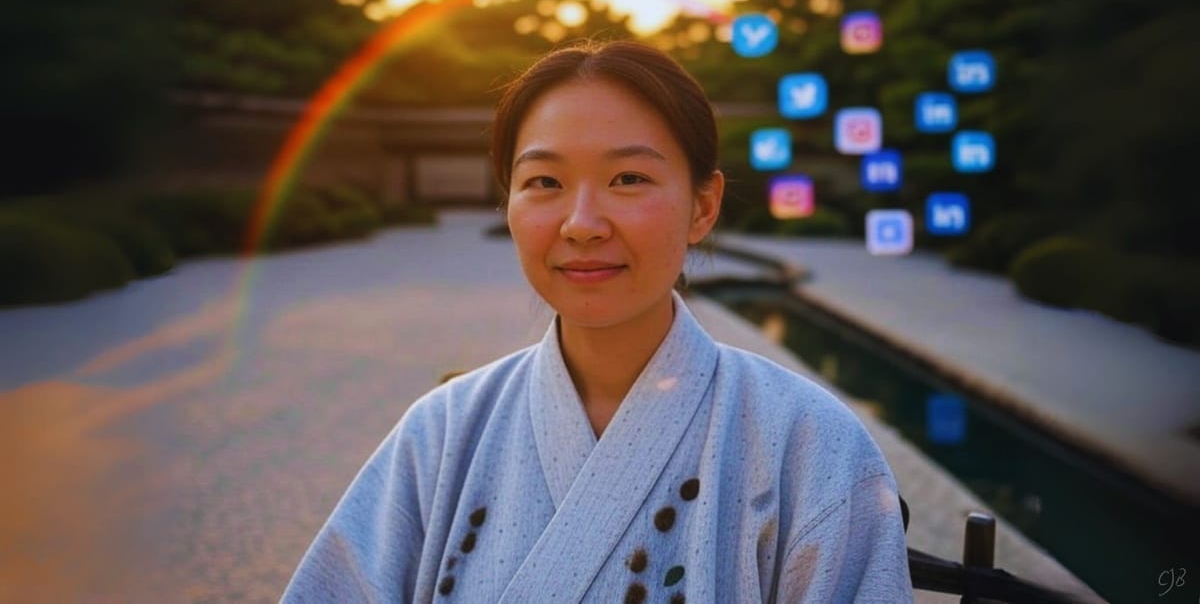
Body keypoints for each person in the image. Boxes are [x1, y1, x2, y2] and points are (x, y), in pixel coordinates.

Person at [282, 40, 912, 602]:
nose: (581, 223)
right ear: (509, 205)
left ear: (703, 205)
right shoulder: (443, 433)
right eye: (544, 181)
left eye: (628, 178)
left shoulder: (809, 442)